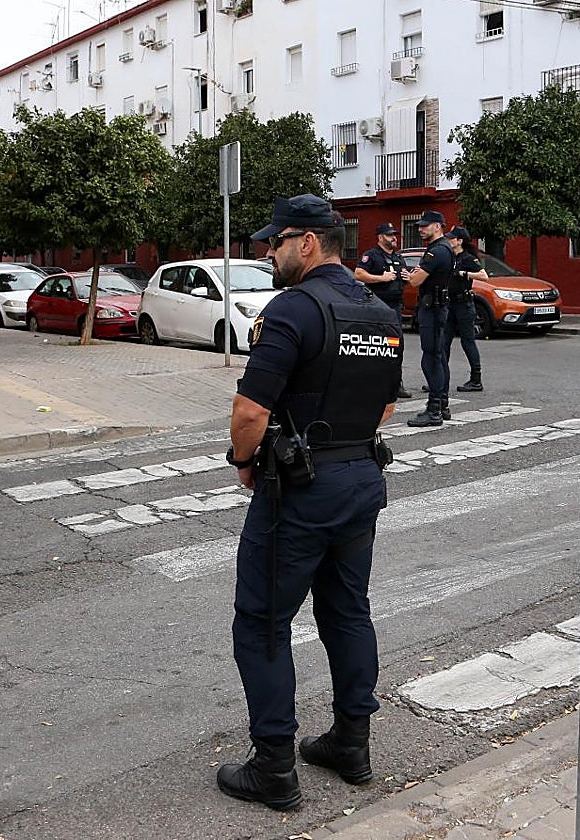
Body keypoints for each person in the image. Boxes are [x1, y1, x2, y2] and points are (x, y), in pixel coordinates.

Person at [217, 194, 402, 811]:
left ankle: (274, 765)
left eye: (275, 241)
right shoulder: (378, 310)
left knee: (263, 622)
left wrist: (246, 463)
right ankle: (352, 742)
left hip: (300, 490)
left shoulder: (294, 309)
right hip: (360, 478)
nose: (267, 251)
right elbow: (387, 405)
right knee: (347, 611)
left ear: (308, 242)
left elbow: (250, 410)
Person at [405, 210, 455, 426]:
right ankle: (442, 405)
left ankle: (434, 410)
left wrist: (412, 275)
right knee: (439, 356)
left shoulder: (436, 251)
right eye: (419, 225)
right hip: (437, 307)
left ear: (438, 226)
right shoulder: (444, 248)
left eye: (425, 225)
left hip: (432, 309)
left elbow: (415, 280)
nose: (420, 229)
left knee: (432, 358)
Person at [353, 222, 411, 398]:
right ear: (380, 238)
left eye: (394, 235)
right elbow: (358, 274)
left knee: (396, 345)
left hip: (395, 307)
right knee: (375, 345)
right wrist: (381, 278)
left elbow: (405, 279)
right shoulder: (371, 256)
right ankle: (373, 383)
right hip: (377, 306)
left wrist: (408, 277)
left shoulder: (399, 258)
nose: (394, 238)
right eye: (389, 235)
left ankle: (396, 383)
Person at [444, 226, 488, 393]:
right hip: (449, 304)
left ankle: (476, 379)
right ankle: (441, 378)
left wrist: (464, 274)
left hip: (464, 304)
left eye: (451, 238)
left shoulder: (467, 258)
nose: (448, 240)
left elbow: (483, 275)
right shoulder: (449, 257)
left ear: (459, 241)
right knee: (444, 342)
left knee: (467, 341)